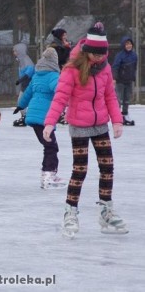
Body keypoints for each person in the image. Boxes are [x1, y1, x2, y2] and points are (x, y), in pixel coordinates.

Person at [43, 27, 128, 237]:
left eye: (102, 53)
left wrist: (117, 121)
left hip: (100, 124)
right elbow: (60, 97)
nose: (99, 57)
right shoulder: (71, 69)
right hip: (79, 126)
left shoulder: (105, 68)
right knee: (80, 170)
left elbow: (110, 96)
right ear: (87, 50)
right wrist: (49, 123)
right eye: (95, 53)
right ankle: (70, 213)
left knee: (107, 167)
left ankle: (106, 211)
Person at [13, 47, 67, 189]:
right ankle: (49, 175)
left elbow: (28, 92)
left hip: (33, 117)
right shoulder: (53, 76)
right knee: (51, 147)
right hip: (45, 118)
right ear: (54, 61)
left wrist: (20, 106)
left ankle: (47, 175)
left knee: (48, 146)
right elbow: (60, 91)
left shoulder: (37, 76)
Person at [112, 36, 138, 126]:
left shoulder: (134, 55)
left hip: (129, 81)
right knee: (119, 99)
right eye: (127, 44)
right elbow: (115, 67)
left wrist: (133, 77)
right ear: (123, 45)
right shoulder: (120, 55)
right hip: (120, 81)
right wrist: (114, 78)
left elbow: (134, 67)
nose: (129, 46)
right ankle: (118, 116)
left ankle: (125, 114)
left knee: (127, 99)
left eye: (130, 44)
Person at [50, 28, 72, 125]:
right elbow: (61, 59)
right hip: (57, 72)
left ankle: (63, 113)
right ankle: (59, 114)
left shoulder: (62, 45)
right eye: (63, 36)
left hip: (64, 71)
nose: (65, 37)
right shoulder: (54, 47)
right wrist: (67, 48)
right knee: (60, 93)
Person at [12, 43, 35, 127]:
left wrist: (20, 80)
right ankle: (24, 116)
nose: (14, 52)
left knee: (22, 100)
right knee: (22, 100)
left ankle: (25, 117)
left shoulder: (26, 59)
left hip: (28, 83)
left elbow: (30, 71)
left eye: (15, 51)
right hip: (25, 84)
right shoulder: (21, 60)